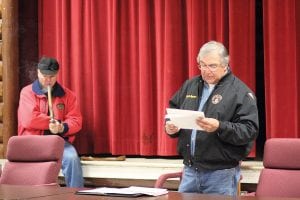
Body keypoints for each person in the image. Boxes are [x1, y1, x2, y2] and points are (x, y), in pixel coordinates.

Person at [165, 41, 259, 195]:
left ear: (225, 64)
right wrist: (170, 126)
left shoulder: (240, 92)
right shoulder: (190, 85)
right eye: (203, 65)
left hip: (221, 175)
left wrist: (219, 127)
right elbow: (173, 111)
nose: (207, 71)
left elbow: (249, 131)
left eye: (212, 66)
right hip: (190, 171)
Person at [18, 56, 84, 188]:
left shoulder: (68, 95)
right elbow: (29, 119)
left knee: (71, 158)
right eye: (44, 76)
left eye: (52, 76)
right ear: (38, 72)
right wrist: (52, 122)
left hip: (57, 142)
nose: (48, 80)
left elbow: (76, 121)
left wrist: (62, 128)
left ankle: (77, 195)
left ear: (58, 74)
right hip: (32, 141)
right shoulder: (27, 92)